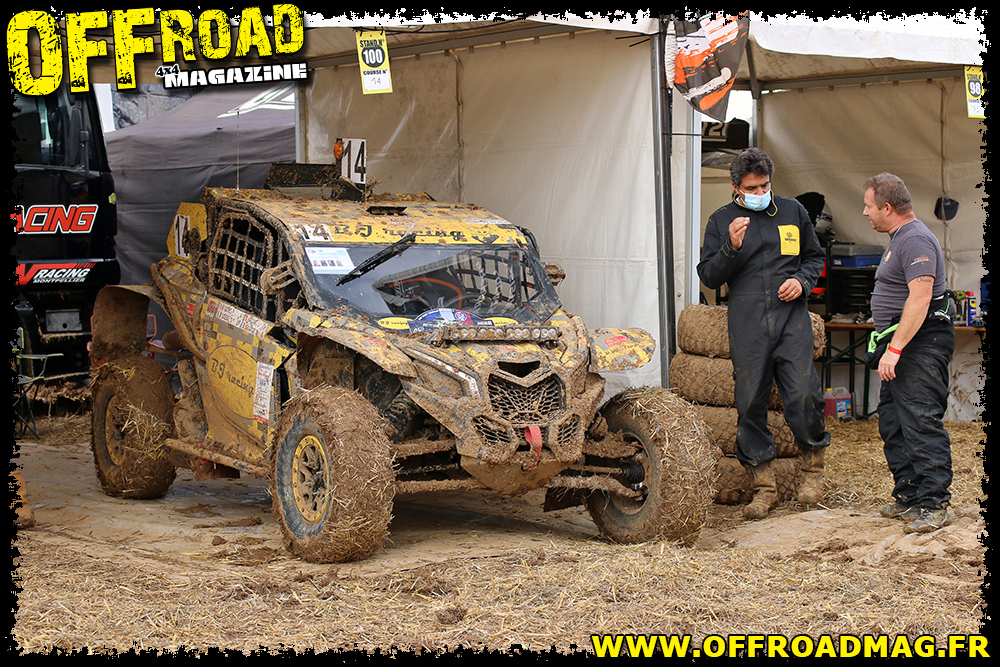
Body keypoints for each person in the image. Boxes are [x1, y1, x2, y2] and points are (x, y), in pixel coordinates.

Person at [697, 147, 831, 520]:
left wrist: (802, 282)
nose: (760, 193)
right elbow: (709, 276)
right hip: (748, 321)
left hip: (791, 319)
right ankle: (764, 487)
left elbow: (814, 258)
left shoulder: (792, 212)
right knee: (750, 402)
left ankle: (813, 470)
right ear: (736, 187)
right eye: (752, 188)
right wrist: (730, 246)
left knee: (804, 394)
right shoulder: (721, 220)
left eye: (765, 186)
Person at [863, 172, 955, 533]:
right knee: (893, 421)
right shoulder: (899, 238)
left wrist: (896, 349)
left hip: (920, 343)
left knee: (920, 419)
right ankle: (910, 495)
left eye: (869, 206)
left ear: (887, 207)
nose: (865, 212)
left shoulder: (915, 238)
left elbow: (921, 296)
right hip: (902, 343)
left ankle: (934, 503)